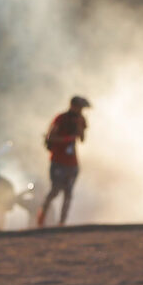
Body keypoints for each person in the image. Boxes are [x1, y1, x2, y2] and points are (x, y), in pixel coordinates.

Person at [37, 96, 89, 227]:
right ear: (73, 106)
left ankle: (62, 223)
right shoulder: (60, 119)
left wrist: (79, 127)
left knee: (68, 193)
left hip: (72, 163)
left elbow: (82, 139)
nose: (81, 111)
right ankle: (42, 215)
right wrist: (67, 139)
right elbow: (50, 137)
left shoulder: (81, 119)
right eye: (79, 107)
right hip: (58, 161)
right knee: (55, 190)